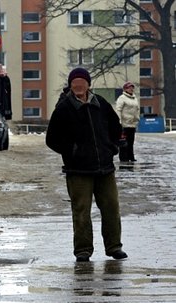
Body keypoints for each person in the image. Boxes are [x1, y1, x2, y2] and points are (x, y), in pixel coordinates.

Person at [46, 67, 128, 262]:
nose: (78, 86)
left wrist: (113, 147)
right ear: (71, 85)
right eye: (75, 83)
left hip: (105, 168)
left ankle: (114, 246)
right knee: (81, 210)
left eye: (82, 83)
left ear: (88, 85)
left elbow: (116, 128)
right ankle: (83, 250)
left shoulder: (100, 103)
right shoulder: (64, 108)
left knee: (111, 207)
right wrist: (72, 152)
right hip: (78, 170)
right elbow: (52, 139)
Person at [115, 81, 140, 162]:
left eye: (132, 87)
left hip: (132, 124)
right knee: (123, 142)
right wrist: (119, 121)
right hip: (124, 124)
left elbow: (137, 109)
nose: (131, 89)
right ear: (125, 89)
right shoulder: (122, 98)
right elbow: (118, 109)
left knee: (131, 142)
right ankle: (123, 158)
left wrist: (137, 118)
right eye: (129, 87)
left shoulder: (135, 98)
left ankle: (131, 156)